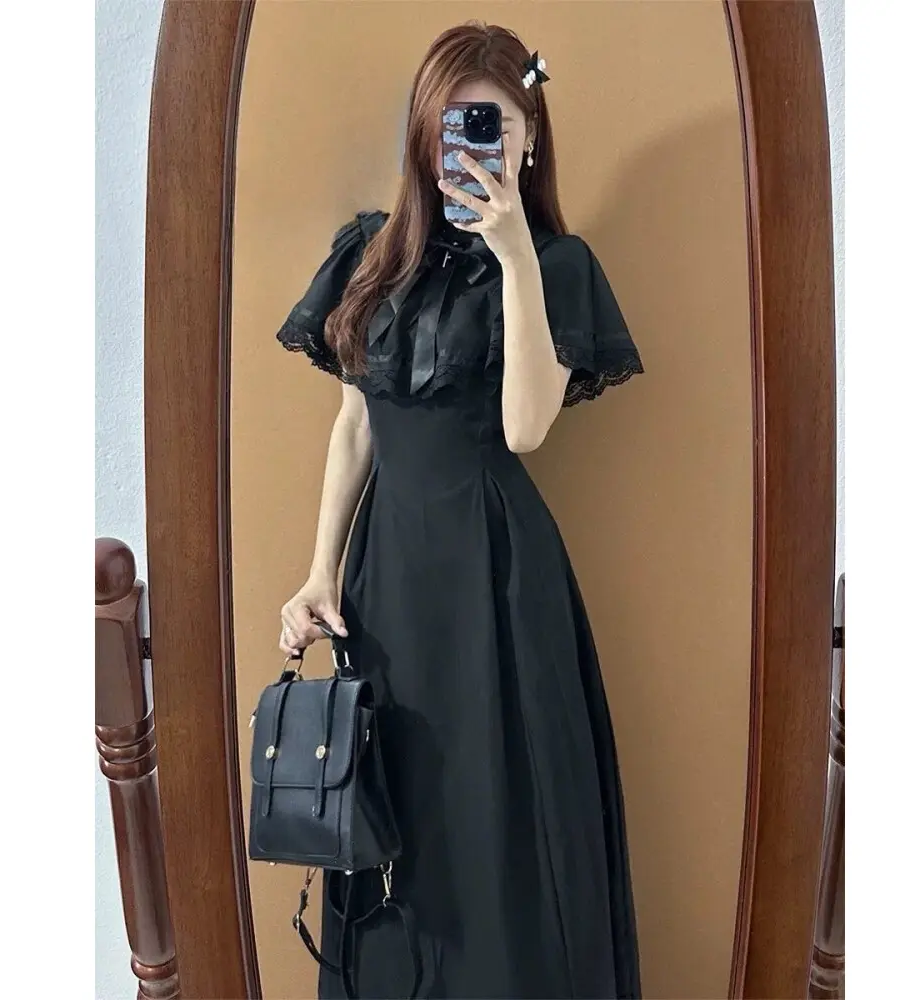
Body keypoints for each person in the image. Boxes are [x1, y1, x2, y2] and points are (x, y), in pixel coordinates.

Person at [276, 20, 644, 1000]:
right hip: (386, 581)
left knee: (499, 824)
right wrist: (318, 572)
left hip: (498, 579)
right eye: (455, 124)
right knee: (393, 818)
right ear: (423, 133)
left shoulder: (556, 266)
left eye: (496, 124)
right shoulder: (370, 254)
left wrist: (515, 256)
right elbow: (355, 425)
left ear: (530, 135)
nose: (474, 144)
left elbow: (525, 428)